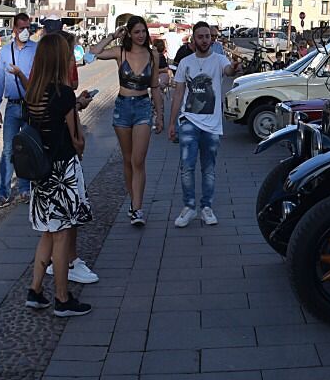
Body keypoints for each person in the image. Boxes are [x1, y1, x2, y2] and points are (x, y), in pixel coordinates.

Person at [21, 31, 93, 318]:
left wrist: (72, 108)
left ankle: (35, 290)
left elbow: (43, 124)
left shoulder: (31, 94)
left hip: (40, 173)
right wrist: (76, 109)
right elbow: (78, 141)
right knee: (62, 235)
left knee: (48, 235)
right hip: (63, 171)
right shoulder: (64, 93)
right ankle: (62, 299)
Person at [94, 16, 166, 227]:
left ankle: (137, 208)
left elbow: (154, 86)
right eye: (137, 32)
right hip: (123, 107)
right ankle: (132, 201)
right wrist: (112, 36)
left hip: (143, 106)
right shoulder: (120, 52)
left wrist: (159, 115)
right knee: (127, 159)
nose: (141, 35)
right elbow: (94, 52)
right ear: (129, 34)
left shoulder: (152, 54)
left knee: (138, 160)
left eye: (143, 31)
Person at [167, 21, 237, 227]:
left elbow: (229, 71)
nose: (205, 40)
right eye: (201, 36)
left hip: (212, 125)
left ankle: (206, 207)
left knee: (208, 169)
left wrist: (233, 67)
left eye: (208, 36)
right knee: (187, 167)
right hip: (189, 121)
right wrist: (172, 123)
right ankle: (189, 207)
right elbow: (178, 94)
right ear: (193, 39)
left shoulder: (219, 59)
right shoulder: (185, 62)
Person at [0, 13, 37, 208]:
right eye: (21, 28)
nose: (25, 31)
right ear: (14, 30)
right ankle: (3, 192)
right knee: (8, 150)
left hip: (30, 106)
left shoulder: (36, 49)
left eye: (28, 28)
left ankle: (25, 189)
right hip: (11, 106)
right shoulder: (5, 52)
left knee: (26, 149)